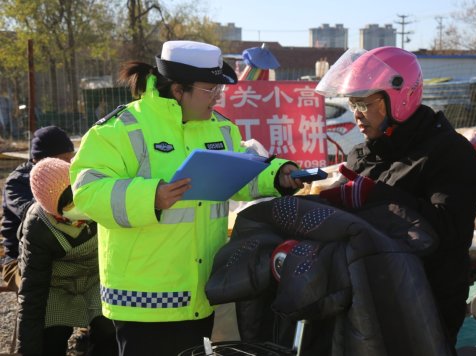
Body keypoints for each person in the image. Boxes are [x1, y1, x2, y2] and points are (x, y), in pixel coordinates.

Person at [69, 40, 303, 356]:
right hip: (143, 303)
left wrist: (277, 174)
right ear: (179, 90)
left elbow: (242, 170)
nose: (217, 97)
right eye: (210, 90)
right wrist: (149, 196)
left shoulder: (221, 128)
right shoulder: (120, 129)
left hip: (199, 297)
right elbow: (85, 192)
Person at [315, 46, 476, 350]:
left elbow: (447, 230)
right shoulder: (364, 153)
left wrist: (375, 196)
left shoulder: (450, 153)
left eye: (364, 103)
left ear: (400, 97)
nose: (356, 113)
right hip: (367, 289)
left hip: (424, 298)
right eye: (352, 102)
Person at [17, 157, 118, 356]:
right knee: (52, 336)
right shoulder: (39, 225)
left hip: (95, 279)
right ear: (53, 208)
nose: (78, 205)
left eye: (78, 195)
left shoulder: (98, 199)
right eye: (68, 203)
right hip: (57, 285)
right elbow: (33, 291)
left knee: (109, 327)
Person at [1, 125, 75, 292]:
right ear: (43, 161)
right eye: (63, 161)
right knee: (45, 286)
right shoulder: (17, 182)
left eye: (71, 160)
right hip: (19, 259)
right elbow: (33, 214)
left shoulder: (67, 174)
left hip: (60, 253)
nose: (69, 165)